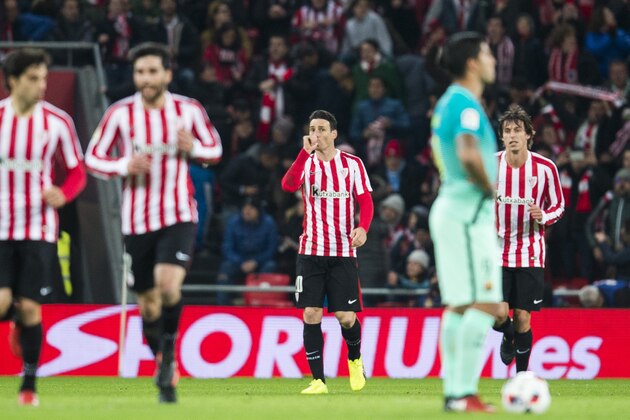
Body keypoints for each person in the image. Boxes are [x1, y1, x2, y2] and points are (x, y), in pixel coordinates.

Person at [85, 42, 222, 403]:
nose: (146, 79)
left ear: (167, 74)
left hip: (178, 213)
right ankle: (163, 360)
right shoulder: (119, 114)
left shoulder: (188, 111)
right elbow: (93, 157)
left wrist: (192, 149)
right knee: (147, 303)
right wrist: (122, 166)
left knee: (167, 285)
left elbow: (214, 150)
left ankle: (170, 356)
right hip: (136, 220)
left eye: (152, 71)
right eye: (140, 72)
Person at [0, 48, 87, 406]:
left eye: (44, 79)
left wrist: (63, 194)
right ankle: (14, 321)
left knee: (32, 308)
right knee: (3, 301)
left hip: (39, 228)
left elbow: (77, 171)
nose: (41, 86)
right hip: (1, 228)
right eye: (33, 79)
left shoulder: (57, 122)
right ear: (13, 81)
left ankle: (29, 386)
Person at [429, 32, 501, 413]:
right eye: (488, 53)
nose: (493, 60)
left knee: (458, 306)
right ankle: (463, 391)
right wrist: (489, 190)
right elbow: (469, 152)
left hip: (450, 208)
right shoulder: (466, 104)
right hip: (469, 213)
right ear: (472, 62)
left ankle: (456, 394)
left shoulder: (447, 103)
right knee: (487, 302)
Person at [281, 109, 374, 394]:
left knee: (346, 317)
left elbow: (366, 201)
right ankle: (318, 380)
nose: (316, 134)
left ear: (334, 133)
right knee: (311, 313)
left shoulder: (352, 164)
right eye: (312, 128)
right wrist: (301, 154)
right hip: (310, 250)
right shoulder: (305, 163)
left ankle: (355, 359)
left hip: (343, 252)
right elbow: (288, 185)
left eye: (322, 129)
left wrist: (363, 228)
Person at [493, 104, 565, 375]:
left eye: (517, 130)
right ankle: (508, 335)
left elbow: (559, 206)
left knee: (523, 317)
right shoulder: (491, 165)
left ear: (528, 135)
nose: (512, 135)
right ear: (502, 137)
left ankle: (521, 377)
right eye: (507, 131)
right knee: (498, 314)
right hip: (496, 248)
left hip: (530, 250)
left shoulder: (545, 168)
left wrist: (543, 216)